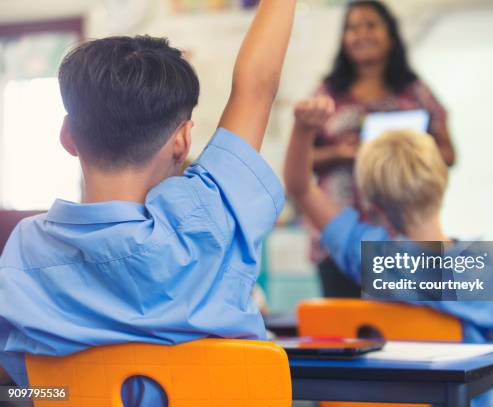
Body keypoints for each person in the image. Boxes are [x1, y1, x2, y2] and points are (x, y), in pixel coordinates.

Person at [0, 0, 296, 405]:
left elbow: (25, 381)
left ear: (67, 135)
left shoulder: (24, 250)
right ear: (183, 140)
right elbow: (257, 85)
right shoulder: (212, 216)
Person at [284, 96, 493, 407]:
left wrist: (303, 129)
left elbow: (300, 188)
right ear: (442, 183)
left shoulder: (369, 256)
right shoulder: (485, 271)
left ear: (374, 203)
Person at [296, 0, 456, 298]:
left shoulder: (415, 91)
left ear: (390, 35)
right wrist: (339, 153)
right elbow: (300, 164)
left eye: (370, 25)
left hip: (401, 237)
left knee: (406, 328)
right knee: (347, 330)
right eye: (352, 28)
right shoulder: (327, 92)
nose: (361, 35)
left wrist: (407, 148)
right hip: (338, 231)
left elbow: (449, 154)